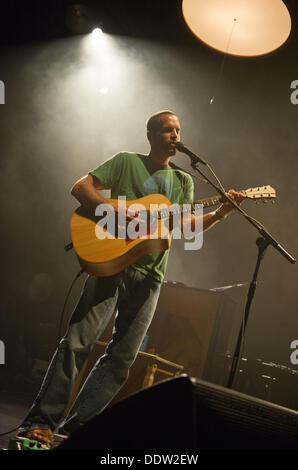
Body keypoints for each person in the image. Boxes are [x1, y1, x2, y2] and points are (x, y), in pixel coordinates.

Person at [17, 110, 244, 445]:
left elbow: (185, 228)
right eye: (169, 130)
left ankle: (76, 432)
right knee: (78, 342)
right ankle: (42, 422)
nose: (176, 136)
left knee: (121, 359)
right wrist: (114, 211)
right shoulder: (126, 161)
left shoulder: (184, 181)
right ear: (151, 134)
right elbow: (81, 188)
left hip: (151, 274)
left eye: (179, 131)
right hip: (111, 262)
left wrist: (221, 213)